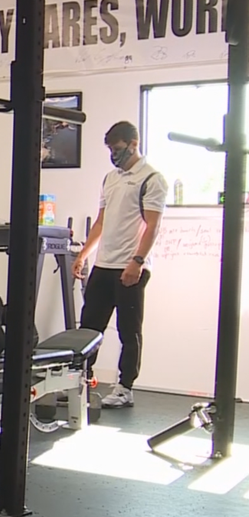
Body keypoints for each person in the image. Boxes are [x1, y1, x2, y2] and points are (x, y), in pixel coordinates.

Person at [71, 121, 167, 409]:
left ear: (133, 144)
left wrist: (137, 262)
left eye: (118, 149)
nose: (114, 154)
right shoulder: (110, 178)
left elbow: (152, 226)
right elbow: (101, 221)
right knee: (89, 327)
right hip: (104, 265)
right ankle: (81, 380)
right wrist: (84, 254)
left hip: (130, 267)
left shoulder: (152, 179)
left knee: (129, 330)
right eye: (110, 150)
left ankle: (125, 387)